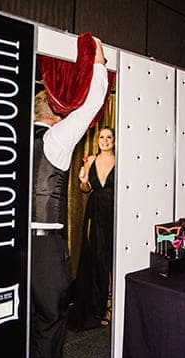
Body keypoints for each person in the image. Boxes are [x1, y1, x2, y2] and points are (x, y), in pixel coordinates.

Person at [30, 36, 108, 358]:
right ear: (58, 114)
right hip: (45, 246)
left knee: (26, 316)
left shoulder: (14, 139)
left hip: (11, 243)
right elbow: (92, 104)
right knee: (50, 317)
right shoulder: (55, 138)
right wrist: (99, 63)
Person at [69, 126, 115, 331]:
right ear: (98, 140)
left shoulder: (121, 160)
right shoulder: (90, 161)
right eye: (102, 137)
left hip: (114, 211)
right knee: (95, 257)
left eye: (109, 137)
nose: (105, 140)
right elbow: (85, 189)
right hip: (95, 211)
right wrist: (83, 181)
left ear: (114, 140)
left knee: (110, 257)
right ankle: (98, 306)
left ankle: (111, 304)